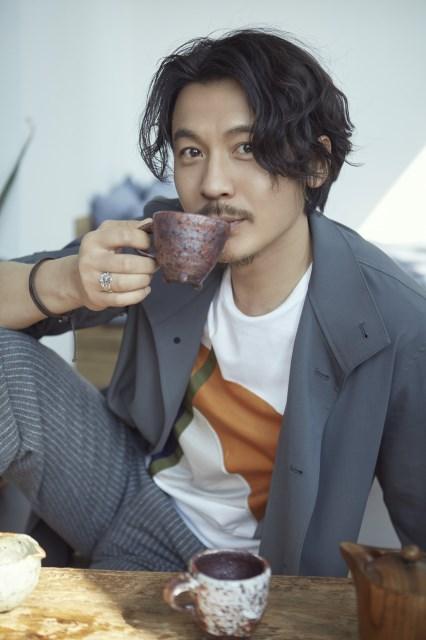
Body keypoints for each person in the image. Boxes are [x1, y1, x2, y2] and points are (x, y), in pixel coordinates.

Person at [0, 28, 425, 577]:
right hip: (134, 502)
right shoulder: (166, 239)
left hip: (266, 573)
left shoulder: (395, 320)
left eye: (247, 147)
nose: (213, 184)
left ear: (317, 163)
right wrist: (68, 280)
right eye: (191, 152)